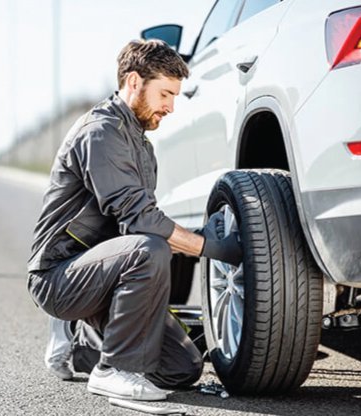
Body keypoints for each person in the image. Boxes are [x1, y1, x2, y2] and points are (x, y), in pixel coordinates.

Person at [27, 39, 242, 401]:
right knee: (148, 249)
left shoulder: (141, 146)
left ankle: (82, 344)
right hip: (58, 275)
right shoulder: (101, 133)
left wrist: (193, 239)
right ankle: (115, 370)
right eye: (165, 94)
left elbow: (135, 224)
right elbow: (140, 223)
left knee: (181, 369)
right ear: (133, 82)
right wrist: (208, 246)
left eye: (175, 96)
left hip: (102, 274)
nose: (171, 107)